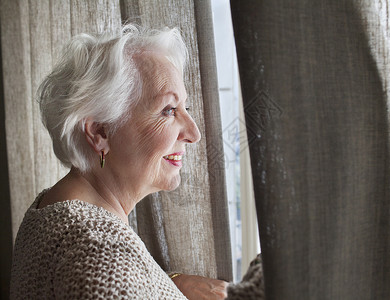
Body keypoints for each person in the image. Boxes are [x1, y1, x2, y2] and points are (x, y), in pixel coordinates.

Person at [10, 24, 228, 299]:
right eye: (168, 110)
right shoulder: (101, 256)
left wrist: (172, 283)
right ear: (100, 132)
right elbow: (109, 276)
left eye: (186, 107)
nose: (194, 133)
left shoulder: (54, 209)